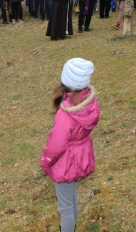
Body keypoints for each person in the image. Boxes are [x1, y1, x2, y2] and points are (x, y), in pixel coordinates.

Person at [39, 58, 99, 232]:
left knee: (65, 207)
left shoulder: (66, 114)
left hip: (65, 162)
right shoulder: (90, 102)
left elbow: (56, 145)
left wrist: (46, 161)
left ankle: (67, 228)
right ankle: (70, 226)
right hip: (81, 156)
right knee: (71, 198)